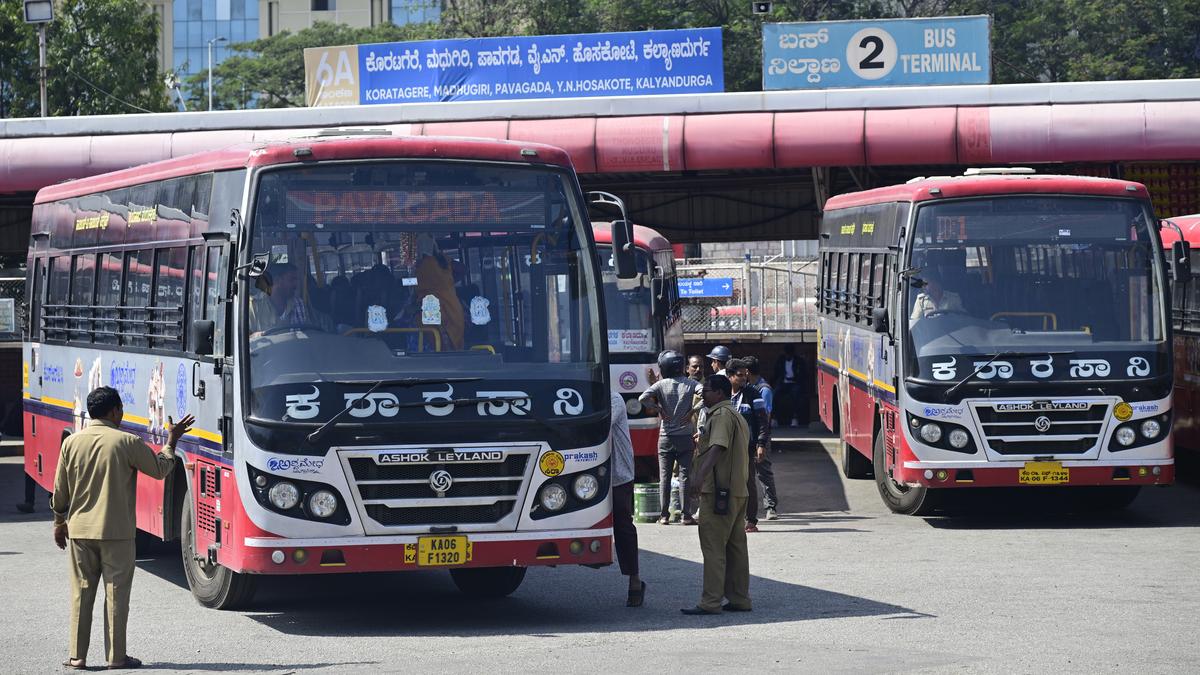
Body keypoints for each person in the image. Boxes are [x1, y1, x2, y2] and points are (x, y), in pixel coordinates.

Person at [52, 386, 193, 670]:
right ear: (114, 411)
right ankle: (116, 657)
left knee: (81, 593)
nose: (122, 414)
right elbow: (160, 469)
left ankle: (77, 657)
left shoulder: (72, 442)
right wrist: (171, 441)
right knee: (116, 594)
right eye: (121, 409)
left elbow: (60, 492)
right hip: (117, 533)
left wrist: (59, 522)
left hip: (80, 532)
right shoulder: (126, 441)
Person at [682, 374, 751, 615]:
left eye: (707, 390)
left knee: (713, 548)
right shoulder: (735, 415)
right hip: (737, 491)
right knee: (736, 548)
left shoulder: (720, 415)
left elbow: (718, 447)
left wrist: (699, 477)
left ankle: (710, 601)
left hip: (719, 492)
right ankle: (739, 598)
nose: (703, 394)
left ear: (719, 393)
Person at [639, 350, 702, 526]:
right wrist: (693, 410)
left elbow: (642, 398)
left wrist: (658, 409)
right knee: (685, 476)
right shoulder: (690, 383)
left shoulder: (660, 385)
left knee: (664, 477)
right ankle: (686, 515)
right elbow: (705, 394)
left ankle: (664, 515)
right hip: (685, 437)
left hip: (665, 437)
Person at [727, 358, 777, 529]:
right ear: (729, 376)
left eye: (745, 375)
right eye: (739, 375)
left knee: (748, 482)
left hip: (746, 447)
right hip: (724, 447)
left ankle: (751, 520)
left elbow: (763, 421)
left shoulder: (753, 394)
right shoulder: (721, 394)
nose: (743, 378)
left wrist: (761, 444)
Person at [609, 392, 645, 607]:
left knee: (622, 524)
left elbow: (600, 425)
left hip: (617, 473)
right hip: (590, 470)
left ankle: (634, 579)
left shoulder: (614, 399)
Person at [248, 262, 334, 336]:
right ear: (277, 281)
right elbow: (245, 340)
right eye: (292, 280)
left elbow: (306, 334)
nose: (295, 285)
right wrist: (258, 336)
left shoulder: (298, 304)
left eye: (296, 280)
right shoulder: (254, 305)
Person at [414, 234, 465, 351]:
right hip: (453, 308)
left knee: (437, 341)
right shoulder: (443, 260)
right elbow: (462, 269)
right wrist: (449, 283)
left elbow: (413, 283)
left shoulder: (424, 265)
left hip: (433, 308)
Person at [773, 344, 806, 428]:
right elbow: (776, 373)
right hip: (783, 383)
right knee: (775, 394)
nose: (788, 356)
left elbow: (803, 375)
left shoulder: (798, 361)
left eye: (789, 354)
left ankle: (795, 418)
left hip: (794, 383)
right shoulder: (781, 360)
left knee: (796, 395)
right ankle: (774, 418)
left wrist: (798, 381)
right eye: (787, 354)